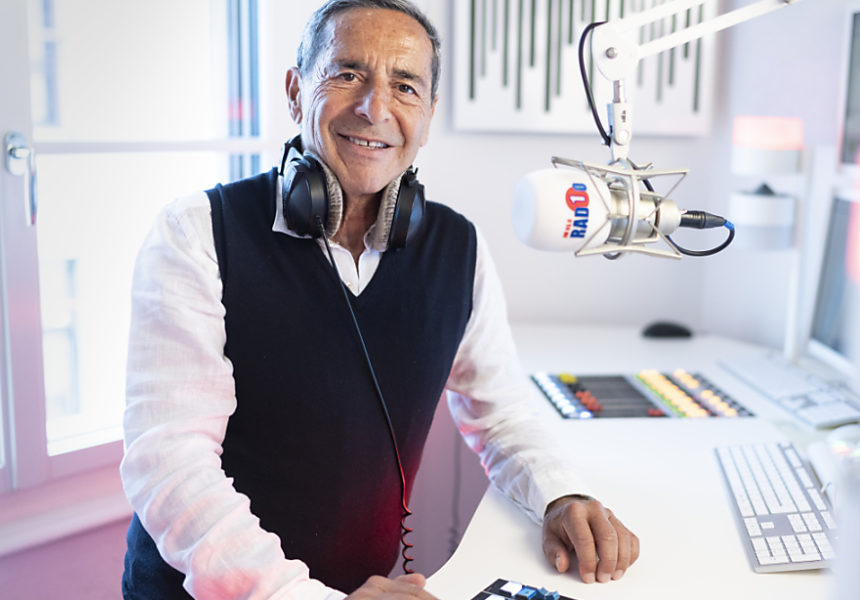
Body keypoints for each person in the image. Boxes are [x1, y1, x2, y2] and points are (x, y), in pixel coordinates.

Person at [119, 1, 639, 599]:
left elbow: (501, 412)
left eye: (405, 86)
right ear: (295, 92)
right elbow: (172, 460)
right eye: (347, 74)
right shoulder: (196, 233)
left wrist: (560, 494)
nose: (375, 108)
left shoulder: (459, 248)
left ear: (428, 115)